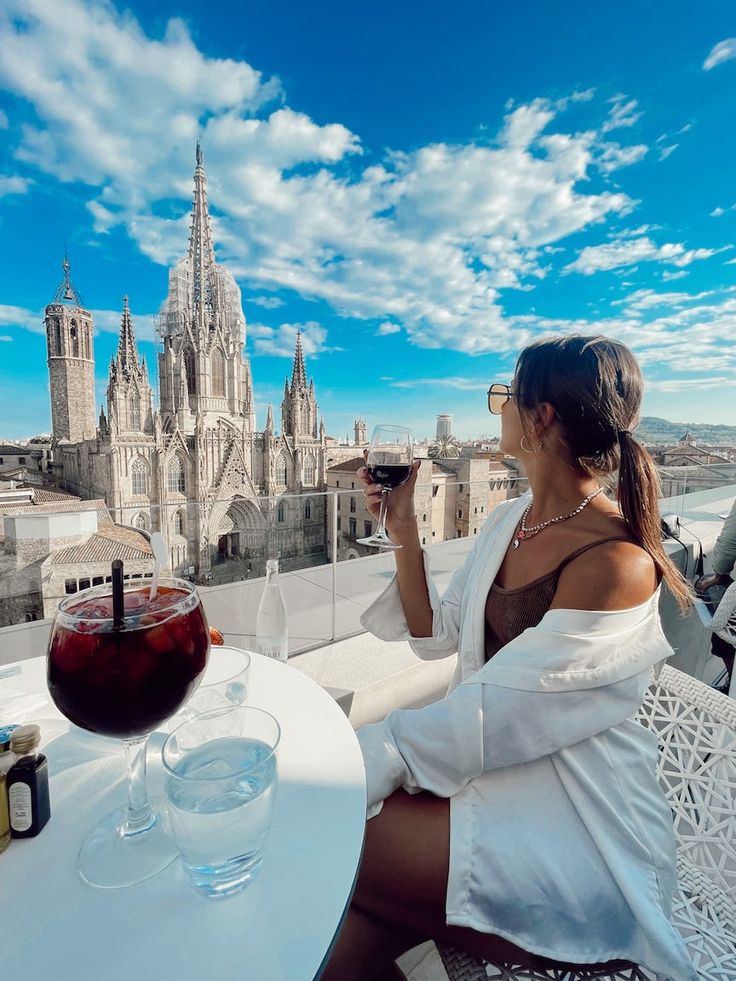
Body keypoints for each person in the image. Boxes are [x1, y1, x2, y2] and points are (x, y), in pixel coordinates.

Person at [322, 335, 697, 981]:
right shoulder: (511, 520)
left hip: (578, 826)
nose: (495, 408)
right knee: (343, 928)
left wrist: (335, 762)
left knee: (325, 835)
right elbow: (435, 634)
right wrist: (404, 529)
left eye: (503, 394)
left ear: (539, 415)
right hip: (500, 781)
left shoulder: (616, 563)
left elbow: (484, 721)